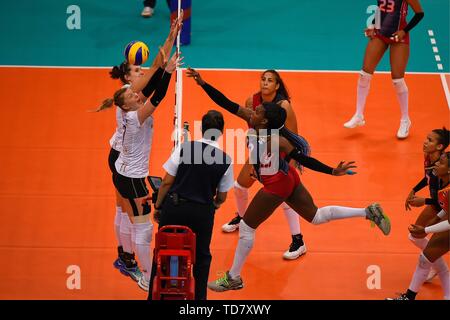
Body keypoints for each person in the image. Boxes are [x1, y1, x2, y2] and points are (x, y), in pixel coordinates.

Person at [187, 68, 391, 292]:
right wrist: (202, 83)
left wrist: (332, 171)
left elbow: (305, 159)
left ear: (264, 120)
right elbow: (225, 102)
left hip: (276, 184)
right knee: (316, 216)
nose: (251, 112)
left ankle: (233, 277)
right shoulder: (257, 122)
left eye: (257, 112)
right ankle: (367, 212)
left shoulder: (277, 141)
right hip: (287, 178)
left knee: (247, 227)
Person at [94, 16, 183, 281]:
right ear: (127, 78)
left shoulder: (127, 97)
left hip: (119, 158)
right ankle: (142, 270)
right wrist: (167, 69)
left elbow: (155, 70)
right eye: (135, 70)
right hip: (125, 164)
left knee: (122, 208)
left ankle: (125, 256)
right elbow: (157, 77)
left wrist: (170, 37)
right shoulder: (131, 97)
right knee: (137, 217)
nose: (140, 71)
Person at [221, 69, 307, 260]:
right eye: (263, 79)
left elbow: (294, 137)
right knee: (239, 187)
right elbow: (253, 130)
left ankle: (298, 241)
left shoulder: (284, 106)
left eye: (270, 80)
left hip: (281, 154)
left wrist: (291, 164)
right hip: (261, 155)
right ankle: (243, 219)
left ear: (277, 86)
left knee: (286, 199)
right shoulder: (251, 101)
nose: (265, 83)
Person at [148, 110, 234, 300]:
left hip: (174, 209)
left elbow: (166, 183)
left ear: (202, 129)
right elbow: (222, 197)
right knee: (202, 258)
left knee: (161, 251)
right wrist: (214, 205)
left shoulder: (184, 148)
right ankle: (200, 302)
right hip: (202, 214)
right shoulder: (226, 160)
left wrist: (159, 206)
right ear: (221, 132)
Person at [343, 0, 424, 139]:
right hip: (381, 33)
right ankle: (359, 115)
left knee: (397, 80)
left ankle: (405, 120)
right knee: (364, 74)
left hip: (399, 36)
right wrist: (373, 25)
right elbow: (381, 10)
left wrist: (404, 31)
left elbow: (419, 14)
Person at [387, 151, 450, 300]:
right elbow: (446, 210)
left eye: (441, 163)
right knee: (426, 258)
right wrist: (434, 220)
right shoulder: (444, 185)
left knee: (426, 258)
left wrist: (426, 229)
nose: (436, 165)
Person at [405, 128, 449, 280]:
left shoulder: (443, 168)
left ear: (440, 146)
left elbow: (445, 197)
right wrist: (414, 189)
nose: (425, 141)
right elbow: (427, 177)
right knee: (415, 235)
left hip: (445, 209)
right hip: (436, 204)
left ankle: (436, 264)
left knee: (432, 247)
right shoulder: (428, 158)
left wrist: (424, 201)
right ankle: (435, 262)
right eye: (426, 138)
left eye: (430, 140)